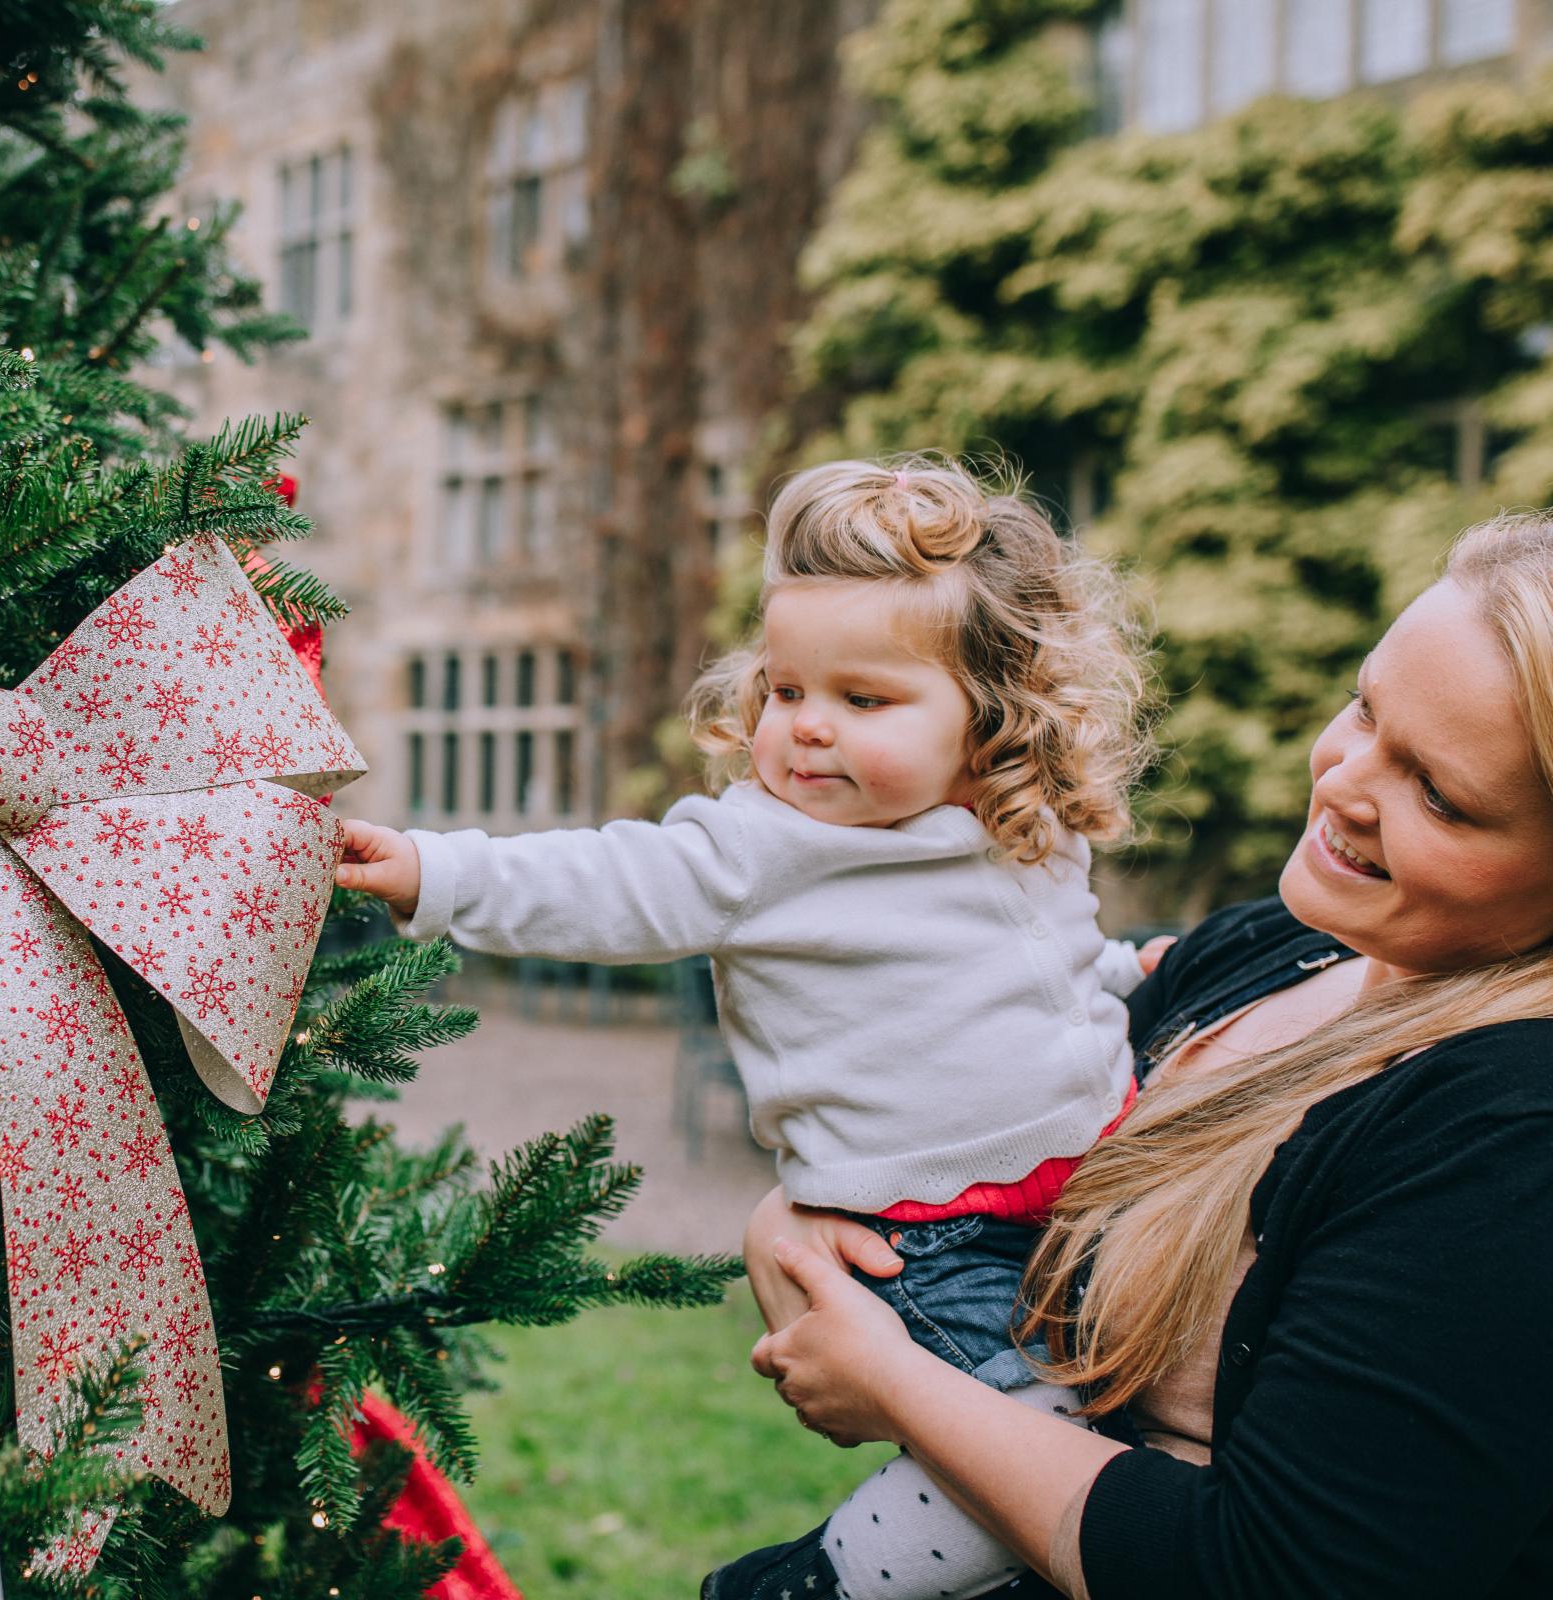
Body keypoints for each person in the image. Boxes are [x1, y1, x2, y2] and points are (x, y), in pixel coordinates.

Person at [336, 455, 1160, 1596]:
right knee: (1033, 1454)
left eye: (861, 700)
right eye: (787, 690)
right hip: (927, 1234)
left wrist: (1126, 970)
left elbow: (1036, 962)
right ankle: (808, 1583)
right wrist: (436, 868)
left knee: (1123, 1428)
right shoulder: (767, 848)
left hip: (1082, 1203)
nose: (807, 729)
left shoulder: (1023, 823)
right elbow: (609, 881)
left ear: (991, 716)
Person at [714, 512, 1553, 1600]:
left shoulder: (1512, 1144)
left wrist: (894, 1381)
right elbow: (967, 1097)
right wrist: (809, 1219)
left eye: (1439, 794)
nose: (1344, 780)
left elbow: (1271, 1574)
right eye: (1365, 706)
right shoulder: (1266, 953)